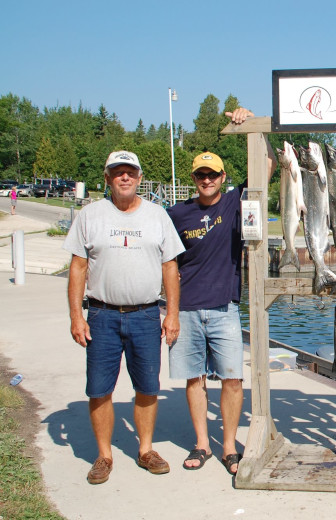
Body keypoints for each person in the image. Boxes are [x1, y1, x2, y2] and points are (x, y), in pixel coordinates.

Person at [64, 150, 184, 485]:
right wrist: (77, 316)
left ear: (140, 178)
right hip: (101, 316)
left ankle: (146, 450)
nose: (125, 177)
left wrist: (171, 314)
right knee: (99, 389)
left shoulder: (157, 216)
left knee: (147, 386)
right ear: (107, 178)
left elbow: (170, 267)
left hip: (146, 315)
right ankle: (103, 456)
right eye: (118, 172)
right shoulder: (90, 216)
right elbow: (78, 268)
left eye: (130, 171)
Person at [166, 108, 274, 475]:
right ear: (194, 178)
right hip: (185, 310)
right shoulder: (177, 214)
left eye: (213, 174)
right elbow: (162, 259)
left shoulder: (233, 202)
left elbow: (269, 164)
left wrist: (255, 125)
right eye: (201, 174)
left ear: (222, 177)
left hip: (225, 309)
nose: (206, 180)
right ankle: (201, 444)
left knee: (232, 378)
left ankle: (228, 446)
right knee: (193, 378)